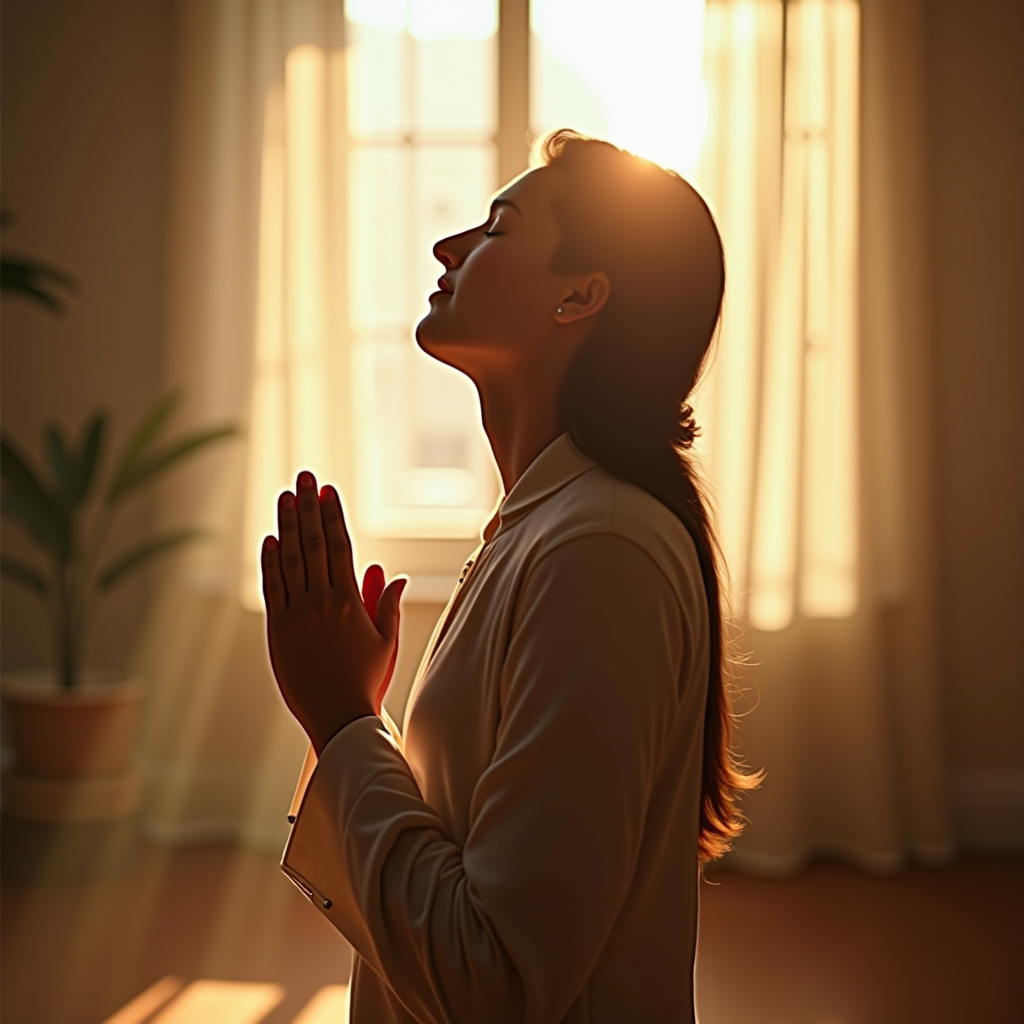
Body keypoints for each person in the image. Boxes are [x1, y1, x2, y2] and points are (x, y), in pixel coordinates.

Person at [261, 130, 758, 1024]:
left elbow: (496, 982)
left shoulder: (599, 549)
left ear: (579, 295)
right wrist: (355, 715)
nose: (448, 248)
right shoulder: (550, 523)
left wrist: (341, 719)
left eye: (495, 227)